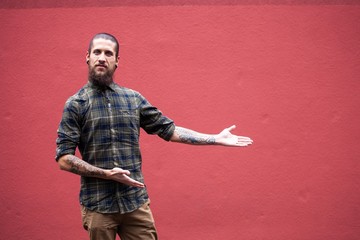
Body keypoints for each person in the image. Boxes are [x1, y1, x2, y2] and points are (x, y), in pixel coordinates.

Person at [55, 32, 253, 240]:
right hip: (98, 205)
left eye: (108, 53)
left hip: (135, 204)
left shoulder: (133, 99)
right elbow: (64, 159)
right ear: (88, 56)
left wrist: (215, 138)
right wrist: (106, 174)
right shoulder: (76, 105)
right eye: (97, 52)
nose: (102, 57)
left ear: (117, 61)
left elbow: (170, 130)